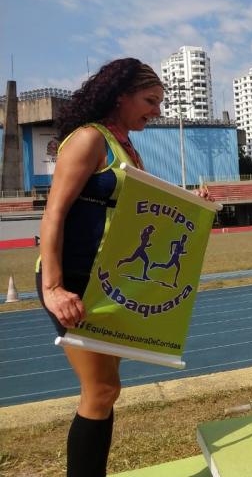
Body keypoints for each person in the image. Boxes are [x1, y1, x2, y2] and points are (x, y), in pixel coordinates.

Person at [37, 58, 164, 476]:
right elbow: (54, 214)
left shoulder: (126, 145)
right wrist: (54, 288)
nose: (156, 112)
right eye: (149, 101)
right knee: (102, 389)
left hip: (107, 282)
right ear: (120, 96)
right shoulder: (89, 139)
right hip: (71, 280)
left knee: (107, 391)